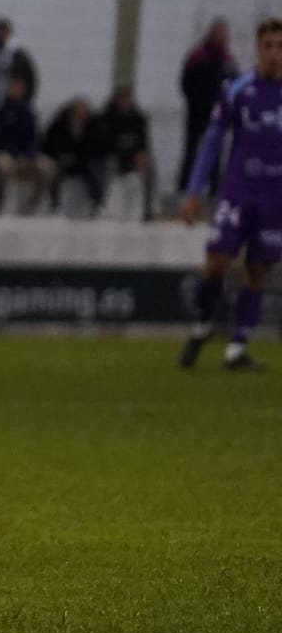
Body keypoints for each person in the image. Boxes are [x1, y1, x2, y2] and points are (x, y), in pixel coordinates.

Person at [178, 20, 282, 371]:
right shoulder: (237, 89)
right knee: (216, 262)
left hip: (275, 198)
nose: (273, 53)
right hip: (238, 192)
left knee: (257, 269)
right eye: (267, 45)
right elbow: (212, 142)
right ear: (257, 48)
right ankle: (203, 324)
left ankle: (236, 350)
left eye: (279, 46)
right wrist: (194, 191)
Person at [180, 19, 238, 192]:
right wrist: (195, 101)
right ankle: (185, 189)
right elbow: (186, 83)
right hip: (197, 112)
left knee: (215, 153)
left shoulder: (227, 59)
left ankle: (214, 191)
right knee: (191, 151)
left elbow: (235, 84)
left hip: (217, 113)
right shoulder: (197, 56)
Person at [0, 75, 48, 215]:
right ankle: (0, 205)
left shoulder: (29, 112)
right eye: (13, 87)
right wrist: (16, 156)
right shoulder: (0, 111)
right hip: (6, 153)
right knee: (3, 164)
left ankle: (32, 207)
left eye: (19, 88)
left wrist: (29, 155)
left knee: (47, 168)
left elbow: (34, 138)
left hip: (26, 156)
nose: (16, 90)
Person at [43, 98, 108, 216]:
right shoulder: (59, 125)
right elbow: (50, 146)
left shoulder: (92, 126)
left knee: (95, 170)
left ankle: (97, 203)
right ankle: (54, 205)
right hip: (62, 160)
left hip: (83, 162)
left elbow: (96, 148)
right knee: (54, 172)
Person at [102, 84, 154, 221]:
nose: (125, 102)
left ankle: (147, 209)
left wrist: (142, 155)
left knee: (149, 170)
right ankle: (103, 206)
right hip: (113, 158)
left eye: (128, 98)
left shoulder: (139, 118)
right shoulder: (107, 118)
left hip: (133, 158)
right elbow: (105, 144)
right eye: (122, 98)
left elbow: (143, 143)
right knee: (108, 166)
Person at [0, 18, 38, 104]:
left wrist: (26, 98)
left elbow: (30, 78)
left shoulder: (19, 55)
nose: (0, 36)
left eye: (3, 33)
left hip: (14, 98)